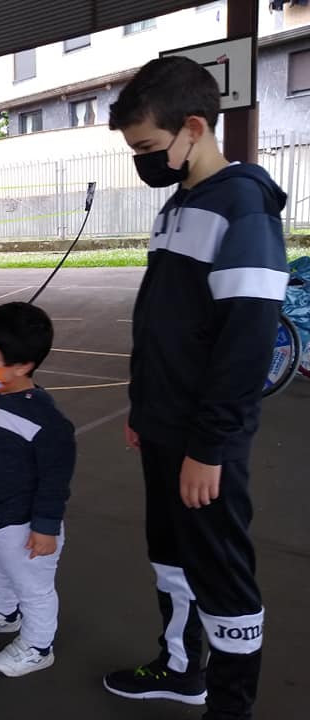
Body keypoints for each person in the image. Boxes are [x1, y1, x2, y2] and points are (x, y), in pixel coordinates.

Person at [103, 57, 289, 720]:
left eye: (149, 148)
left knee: (221, 573)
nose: (144, 163)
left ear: (194, 128)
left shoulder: (244, 208)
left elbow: (246, 347)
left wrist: (209, 448)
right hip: (161, 424)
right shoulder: (180, 203)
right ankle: (182, 668)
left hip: (203, 442)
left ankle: (230, 707)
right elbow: (165, 322)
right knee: (171, 557)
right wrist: (142, 405)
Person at [0, 302, 75, 678]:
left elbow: (55, 481)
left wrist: (46, 528)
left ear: (22, 366)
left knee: (33, 588)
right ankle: (5, 613)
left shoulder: (47, 422)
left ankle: (39, 646)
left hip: (23, 527)